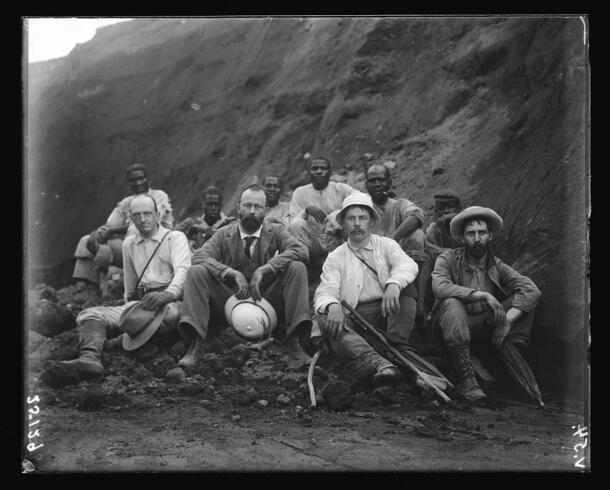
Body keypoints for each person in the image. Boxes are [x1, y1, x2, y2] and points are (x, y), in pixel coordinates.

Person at [46, 194, 191, 383]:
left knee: (167, 317)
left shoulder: (175, 238)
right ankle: (90, 357)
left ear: (157, 214)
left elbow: (183, 272)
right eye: (137, 215)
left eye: (147, 213)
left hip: (172, 303)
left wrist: (167, 294)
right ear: (130, 219)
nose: (143, 219)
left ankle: (123, 340)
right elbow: (130, 289)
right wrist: (130, 314)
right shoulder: (129, 244)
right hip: (145, 303)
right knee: (89, 314)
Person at [177, 184, 312, 367]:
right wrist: (229, 272)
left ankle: (296, 341)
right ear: (238, 207)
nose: (251, 212)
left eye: (257, 207)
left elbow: (301, 250)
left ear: (265, 210)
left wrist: (266, 268)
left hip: (266, 299)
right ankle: (195, 344)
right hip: (230, 299)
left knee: (297, 267)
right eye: (247, 206)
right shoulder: (224, 233)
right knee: (196, 271)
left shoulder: (275, 231)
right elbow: (199, 256)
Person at [431, 206, 541, 401]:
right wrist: (479, 295)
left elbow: (531, 290)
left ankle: (510, 355)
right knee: (451, 304)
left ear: (490, 236)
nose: (476, 238)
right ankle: (466, 379)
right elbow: (439, 287)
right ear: (462, 238)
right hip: (451, 330)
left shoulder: (496, 265)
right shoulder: (447, 259)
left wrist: (507, 319)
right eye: (470, 233)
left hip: (484, 328)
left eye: (481, 232)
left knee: (524, 302)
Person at [312, 192, 419, 386]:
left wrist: (394, 284)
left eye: (362, 218)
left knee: (407, 288)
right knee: (325, 319)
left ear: (371, 222)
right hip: (356, 318)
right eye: (351, 219)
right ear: (343, 224)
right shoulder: (336, 256)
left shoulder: (387, 245)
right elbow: (326, 288)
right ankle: (381, 364)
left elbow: (408, 265)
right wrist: (332, 305)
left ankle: (397, 348)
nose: (357, 224)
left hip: (388, 312)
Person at [72, 163, 174, 287]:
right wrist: (99, 233)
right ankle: (83, 287)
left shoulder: (159, 196)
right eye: (133, 180)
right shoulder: (127, 202)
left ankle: (130, 284)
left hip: (157, 249)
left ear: (148, 179)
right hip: (131, 249)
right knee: (86, 240)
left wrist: (110, 232)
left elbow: (146, 223)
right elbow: (110, 224)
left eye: (141, 178)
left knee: (119, 240)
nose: (137, 183)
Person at [288, 157, 355, 271]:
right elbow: (292, 223)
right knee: (297, 223)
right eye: (315, 168)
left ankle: (352, 256)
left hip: (337, 241)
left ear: (330, 172)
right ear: (308, 172)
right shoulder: (300, 192)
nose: (319, 171)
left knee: (336, 215)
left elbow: (362, 199)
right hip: (313, 243)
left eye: (323, 168)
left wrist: (341, 214)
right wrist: (306, 210)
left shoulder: (340, 189)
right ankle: (304, 267)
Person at [419, 190, 463, 317]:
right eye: (441, 207)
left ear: (458, 208)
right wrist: (446, 252)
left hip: (463, 272)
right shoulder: (434, 228)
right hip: (440, 273)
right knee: (427, 260)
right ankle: (422, 306)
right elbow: (427, 245)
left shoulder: (465, 225)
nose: (446, 211)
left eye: (450, 206)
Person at [175, 186, 235, 251]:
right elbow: (171, 236)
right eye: (209, 204)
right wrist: (190, 230)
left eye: (216, 204)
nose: (213, 208)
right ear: (203, 205)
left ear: (221, 205)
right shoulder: (193, 222)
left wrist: (208, 231)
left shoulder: (230, 224)